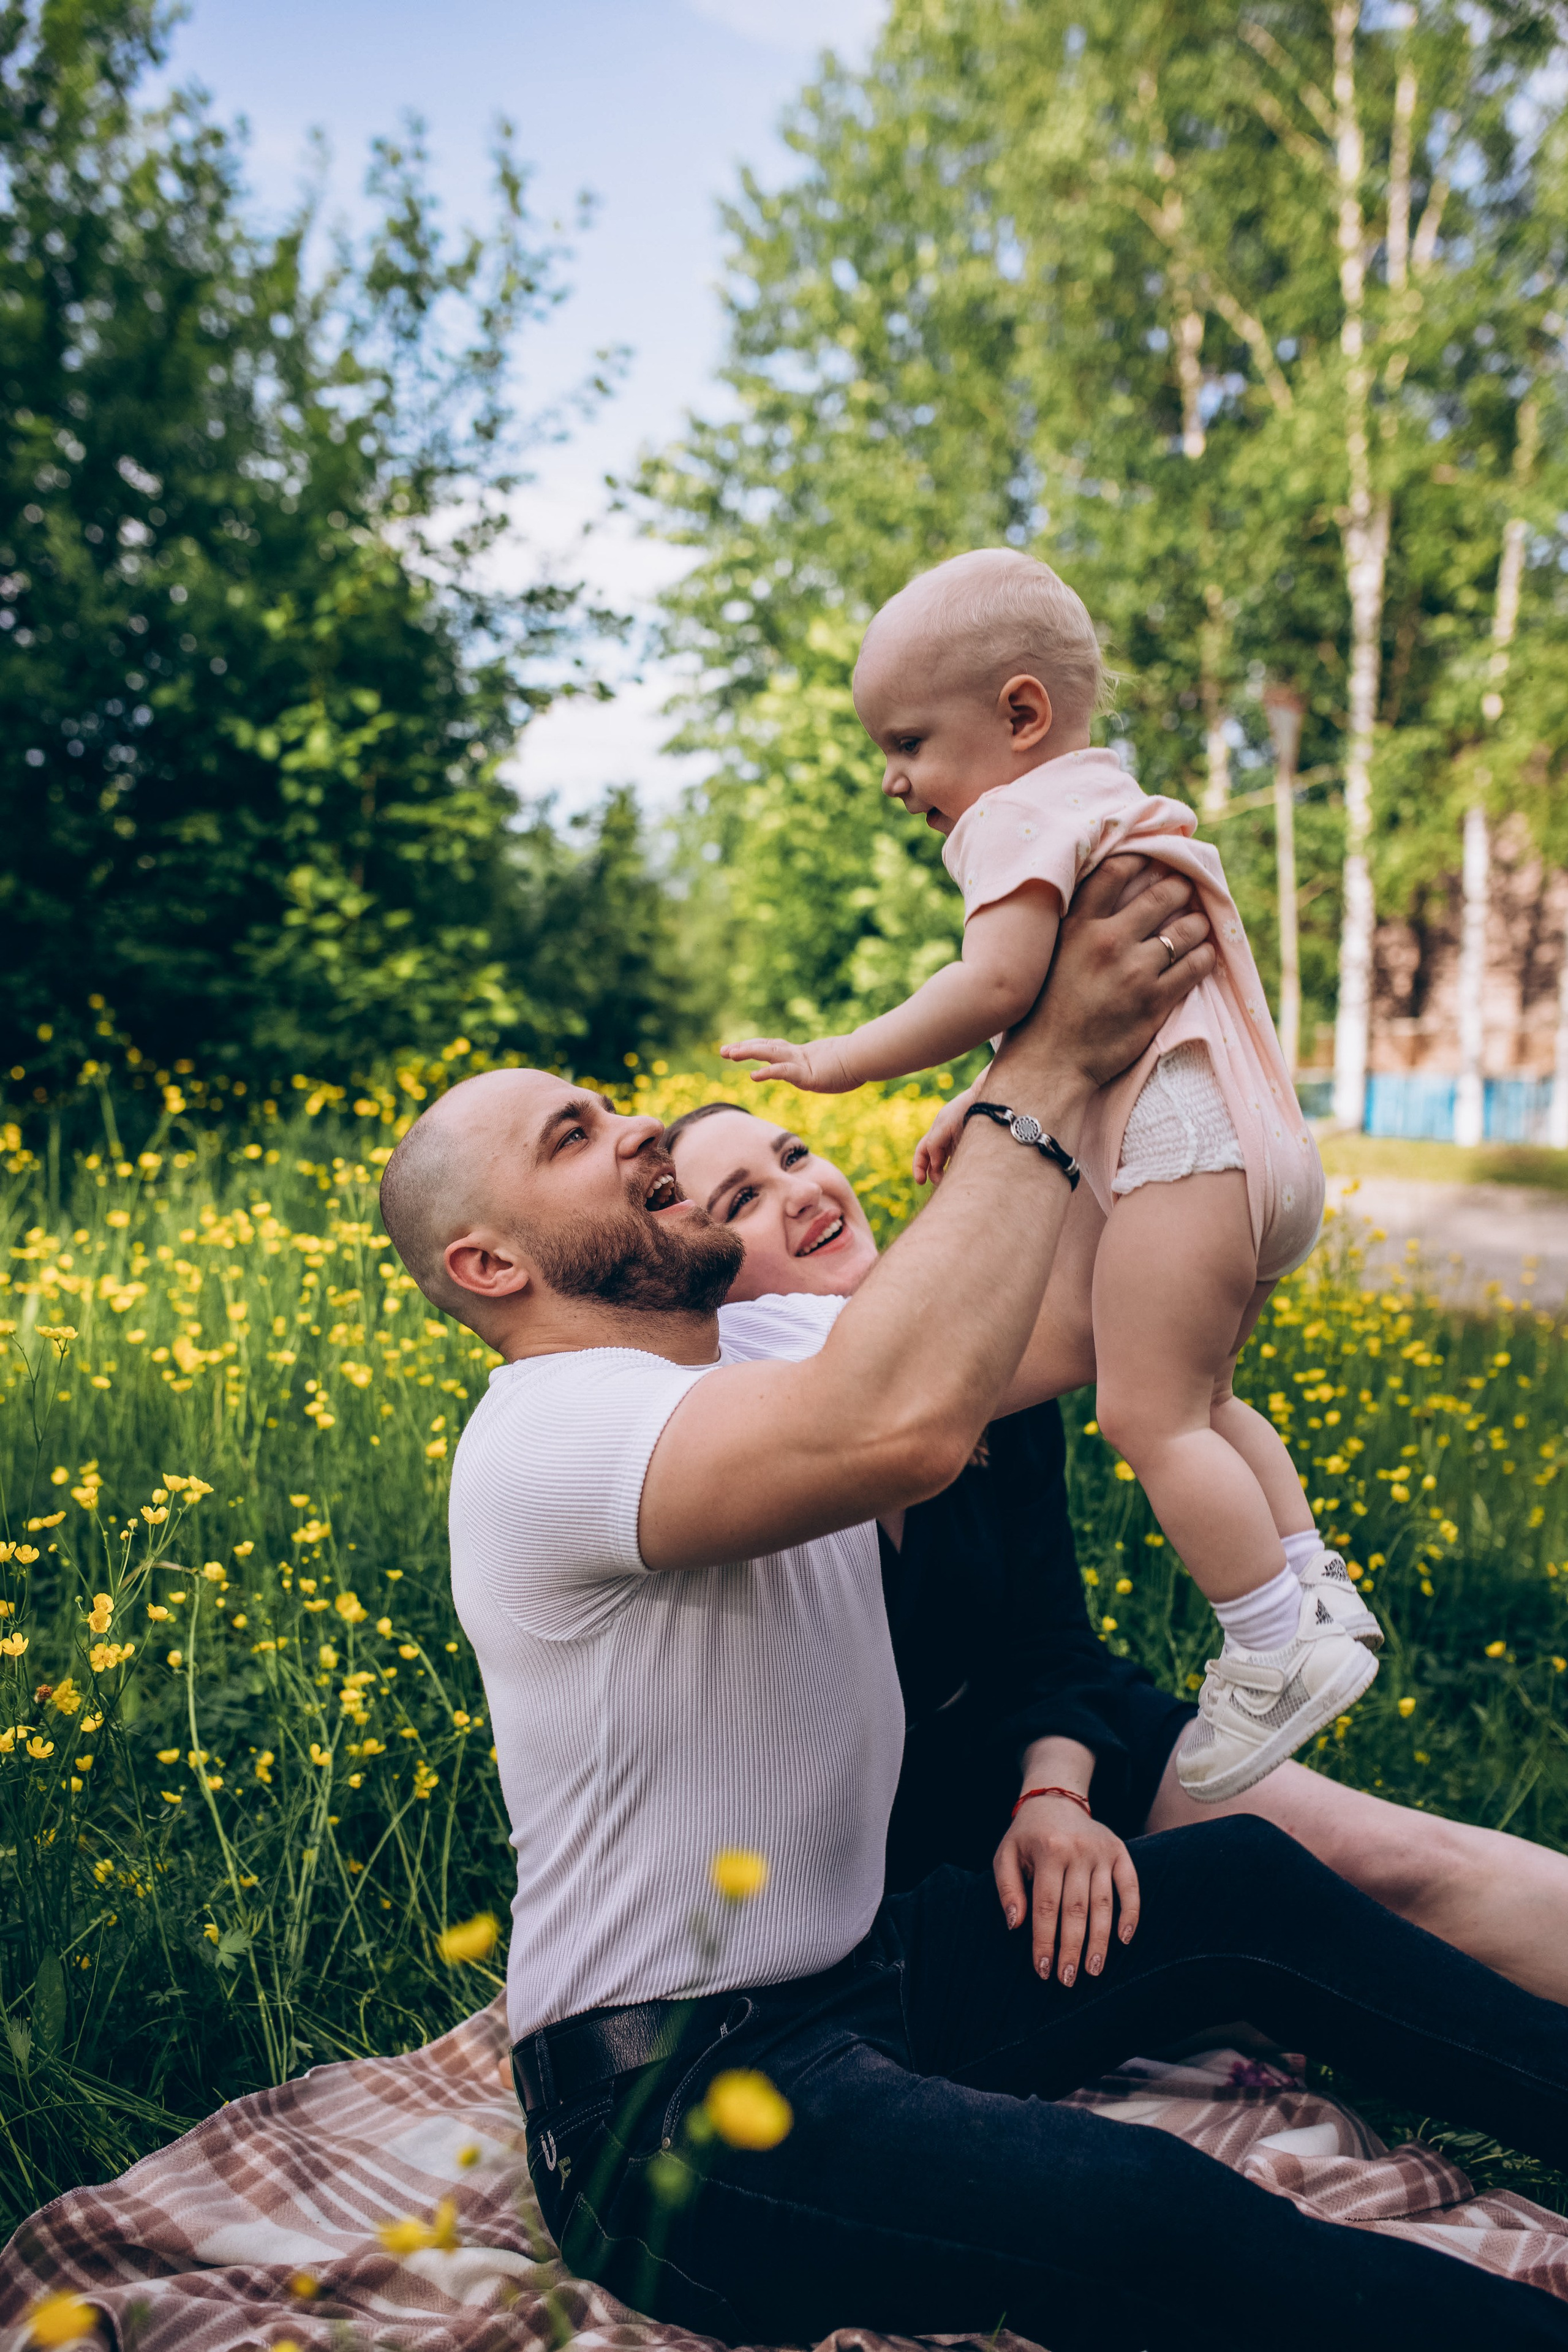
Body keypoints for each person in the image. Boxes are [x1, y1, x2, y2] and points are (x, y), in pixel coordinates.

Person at [379, 868, 1568, 2351]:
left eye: (608, 1108)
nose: (633, 1131)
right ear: (488, 1266)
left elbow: (1079, 1323)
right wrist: (1041, 1068)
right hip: (671, 2108)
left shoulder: (765, 1334)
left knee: (1247, 1886)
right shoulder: (547, 1433)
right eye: (572, 1136)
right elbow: (898, 1427)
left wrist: (1146, 1066)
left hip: (872, 1973)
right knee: (1142, 2208)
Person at [668, 1096, 1568, 2007]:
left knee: (1400, 1863)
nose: (802, 1191)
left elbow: (1051, 1640)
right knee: (1229, 1951)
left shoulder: (978, 1365)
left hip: (1054, 1740)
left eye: (795, 1154)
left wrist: (1056, 1795)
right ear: (698, 1279)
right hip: (879, 1859)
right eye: (743, 1200)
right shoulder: (719, 1461)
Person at [722, 549, 1361, 1804]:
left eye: (907, 742)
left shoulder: (1010, 820)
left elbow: (1001, 986)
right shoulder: (1118, 802)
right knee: (1209, 1397)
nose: (893, 779)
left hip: (1177, 1160)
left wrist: (840, 1059)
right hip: (1255, 1153)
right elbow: (1078, 1022)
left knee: (1147, 1417)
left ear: (1020, 713)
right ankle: (1313, 1585)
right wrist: (982, 1097)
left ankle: (1270, 1646)